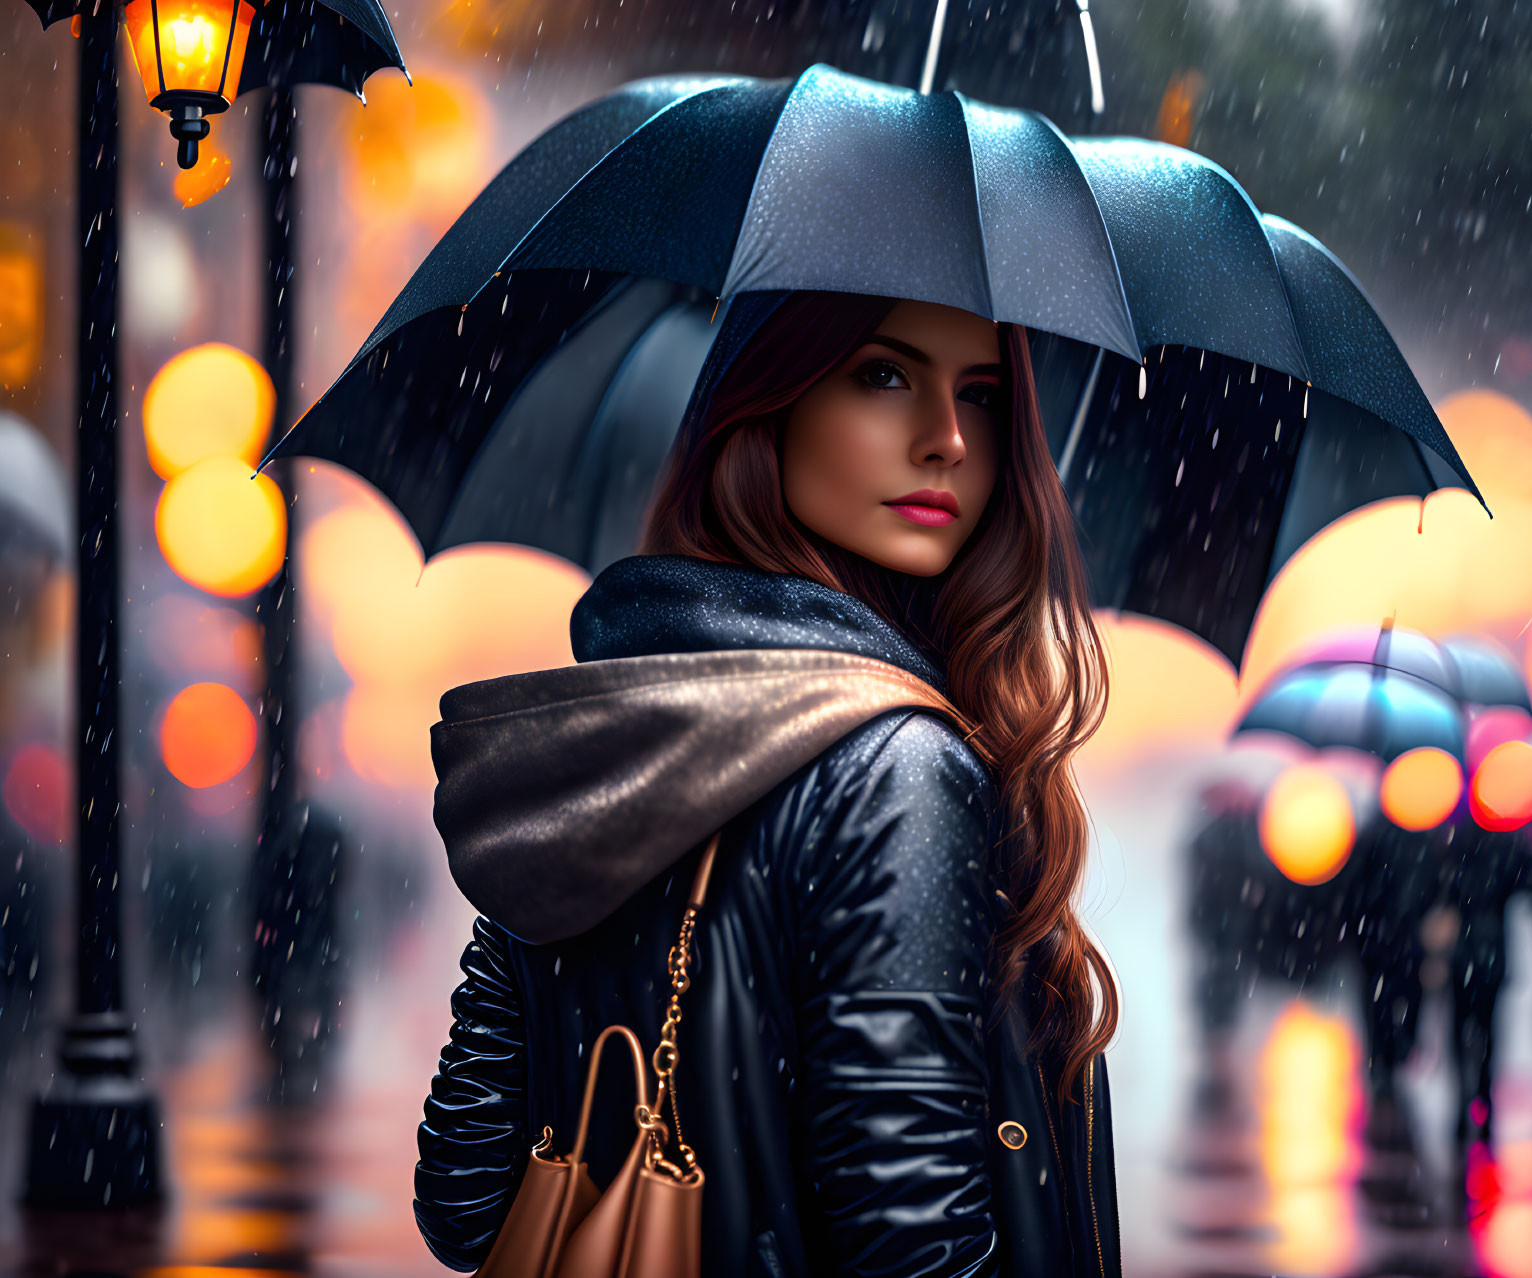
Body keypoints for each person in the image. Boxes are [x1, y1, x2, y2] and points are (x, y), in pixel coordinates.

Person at [414, 291, 1122, 1277]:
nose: (948, 439)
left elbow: (463, 1196)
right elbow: (908, 1243)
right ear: (764, 410)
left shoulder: (596, 747)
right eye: (883, 375)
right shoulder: (898, 771)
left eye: (982, 394)